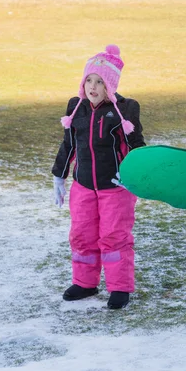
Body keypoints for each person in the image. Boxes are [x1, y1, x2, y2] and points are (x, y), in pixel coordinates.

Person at [52, 45, 145, 309]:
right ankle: (85, 282)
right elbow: (68, 145)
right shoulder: (76, 108)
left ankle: (119, 287)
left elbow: (136, 147)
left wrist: (135, 177)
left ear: (110, 86)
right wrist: (59, 176)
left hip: (115, 188)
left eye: (100, 82)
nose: (92, 87)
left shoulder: (123, 112)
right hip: (83, 187)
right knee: (82, 234)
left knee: (114, 236)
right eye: (89, 80)